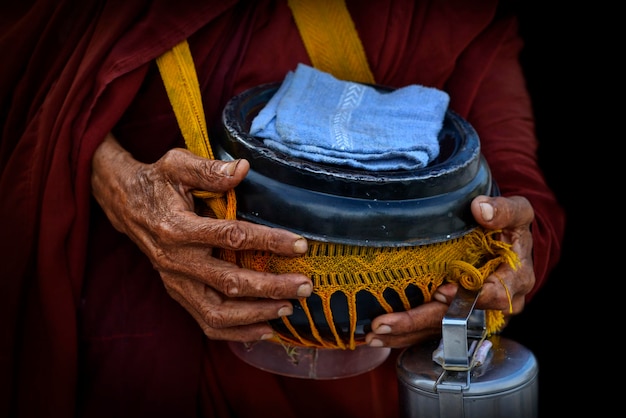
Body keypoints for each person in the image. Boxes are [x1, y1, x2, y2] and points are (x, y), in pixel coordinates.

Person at [0, 1, 565, 417]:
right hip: (137, 328)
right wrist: (109, 175)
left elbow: (480, 61)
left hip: (358, 361)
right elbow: (24, 54)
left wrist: (510, 233)